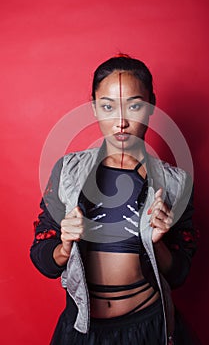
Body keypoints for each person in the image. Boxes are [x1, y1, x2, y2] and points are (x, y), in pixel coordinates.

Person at [30, 54, 198, 345]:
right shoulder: (68, 172)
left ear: (151, 106)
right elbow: (43, 258)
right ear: (94, 108)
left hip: (148, 328)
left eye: (134, 105)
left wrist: (157, 244)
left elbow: (180, 273)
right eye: (108, 106)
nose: (120, 121)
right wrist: (65, 245)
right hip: (83, 330)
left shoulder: (175, 182)